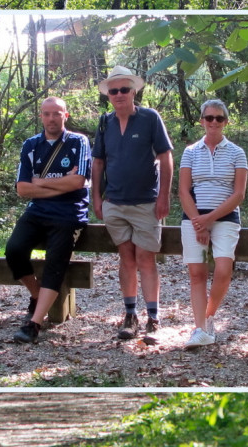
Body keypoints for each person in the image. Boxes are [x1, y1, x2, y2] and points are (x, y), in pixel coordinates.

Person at [91, 65, 173, 345]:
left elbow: (165, 157)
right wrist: (97, 198)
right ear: (109, 96)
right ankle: (130, 316)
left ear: (134, 91)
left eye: (124, 89)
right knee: (125, 258)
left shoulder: (150, 118)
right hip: (115, 202)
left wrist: (164, 195)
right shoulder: (105, 122)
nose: (119, 94)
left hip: (146, 202)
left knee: (146, 259)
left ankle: (153, 318)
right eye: (113, 91)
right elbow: (98, 162)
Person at [5, 96, 91, 345]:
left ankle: (34, 324)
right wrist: (60, 185)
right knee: (14, 250)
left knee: (55, 262)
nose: (52, 118)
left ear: (66, 115)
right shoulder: (31, 145)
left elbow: (78, 182)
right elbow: (22, 189)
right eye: (47, 113)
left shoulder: (78, 142)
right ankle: (36, 295)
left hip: (69, 213)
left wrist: (40, 182)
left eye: (57, 113)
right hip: (37, 211)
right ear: (41, 116)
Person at [178, 98, 248, 349]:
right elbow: (184, 191)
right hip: (194, 218)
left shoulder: (237, 153)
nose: (214, 122)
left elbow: (239, 194)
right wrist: (199, 222)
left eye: (219, 118)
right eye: (209, 118)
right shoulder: (190, 151)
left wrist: (210, 220)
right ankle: (200, 330)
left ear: (226, 122)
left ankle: (208, 316)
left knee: (222, 270)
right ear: (202, 121)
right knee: (197, 274)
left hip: (225, 218)